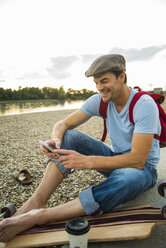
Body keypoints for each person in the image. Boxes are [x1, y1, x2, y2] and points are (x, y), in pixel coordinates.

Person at [0, 54, 161, 242]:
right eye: (96, 83)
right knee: (70, 136)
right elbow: (62, 124)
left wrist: (87, 161)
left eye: (105, 81)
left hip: (143, 170)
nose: (100, 88)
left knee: (128, 178)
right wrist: (56, 141)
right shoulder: (100, 100)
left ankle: (41, 216)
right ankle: (37, 202)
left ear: (122, 77)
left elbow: (138, 160)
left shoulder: (144, 104)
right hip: (114, 158)